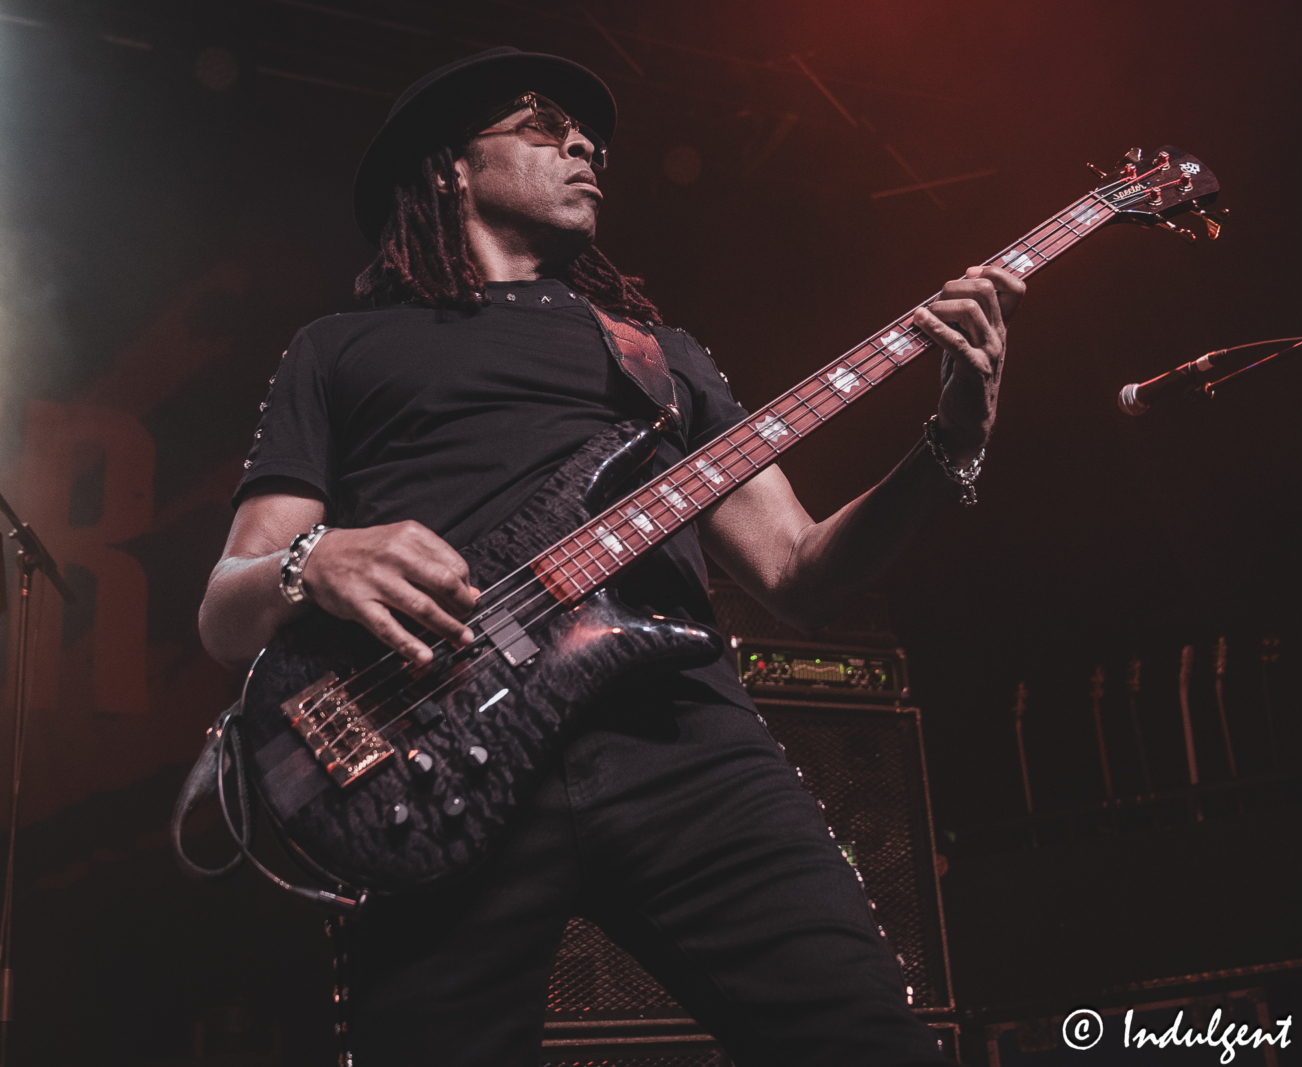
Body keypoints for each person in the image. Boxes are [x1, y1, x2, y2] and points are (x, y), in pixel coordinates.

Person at [197, 47, 1022, 1067]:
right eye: (541, 124)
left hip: (681, 743)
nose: (584, 143)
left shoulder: (657, 354)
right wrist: (312, 559)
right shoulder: (337, 349)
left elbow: (803, 572)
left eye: (585, 134)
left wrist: (951, 438)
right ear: (452, 165)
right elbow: (225, 605)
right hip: (431, 767)